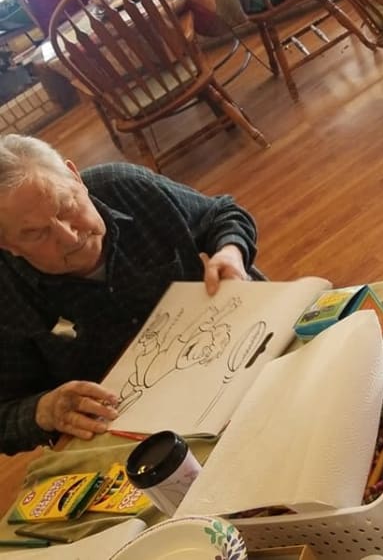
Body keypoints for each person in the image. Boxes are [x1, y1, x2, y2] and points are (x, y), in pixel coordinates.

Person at [0, 134, 258, 455]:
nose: (68, 237)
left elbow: (220, 215)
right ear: (7, 246)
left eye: (67, 206)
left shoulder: (125, 186)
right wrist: (43, 410)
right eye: (36, 233)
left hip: (243, 348)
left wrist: (230, 251)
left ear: (75, 176)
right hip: (145, 437)